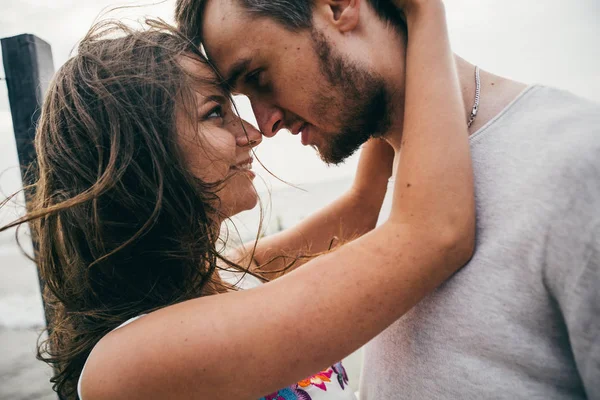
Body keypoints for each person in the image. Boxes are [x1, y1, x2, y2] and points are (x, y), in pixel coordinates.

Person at [0, 1, 474, 399]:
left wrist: (367, 74)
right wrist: (422, 12)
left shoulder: (226, 275)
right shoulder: (127, 363)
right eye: (215, 113)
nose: (252, 132)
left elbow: (361, 208)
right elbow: (431, 234)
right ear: (143, 161)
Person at [176, 0, 600, 398]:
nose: (264, 125)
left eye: (259, 78)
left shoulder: (575, 162)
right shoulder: (415, 182)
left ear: (340, 7)